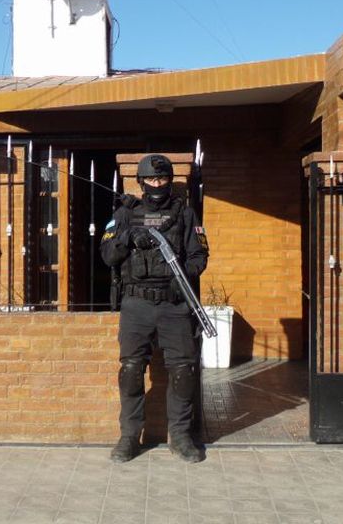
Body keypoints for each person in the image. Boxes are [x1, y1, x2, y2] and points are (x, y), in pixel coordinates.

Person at [100, 153, 209, 463]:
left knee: (182, 372)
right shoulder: (124, 214)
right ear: (141, 182)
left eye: (162, 179)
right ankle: (129, 437)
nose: (157, 184)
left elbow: (199, 256)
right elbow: (107, 255)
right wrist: (128, 238)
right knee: (131, 370)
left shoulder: (185, 214)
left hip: (175, 305)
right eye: (151, 179)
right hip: (137, 304)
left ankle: (181, 437)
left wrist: (181, 278)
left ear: (170, 181)